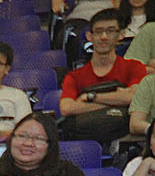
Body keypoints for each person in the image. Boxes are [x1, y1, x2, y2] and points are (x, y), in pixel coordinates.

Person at [59, 11, 147, 143]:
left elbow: (134, 97)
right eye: (99, 31)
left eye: (111, 31)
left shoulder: (134, 67)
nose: (104, 37)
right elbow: (66, 108)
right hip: (85, 138)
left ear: (121, 34)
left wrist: (90, 97)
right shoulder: (75, 76)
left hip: (123, 138)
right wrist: (118, 99)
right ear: (89, 36)